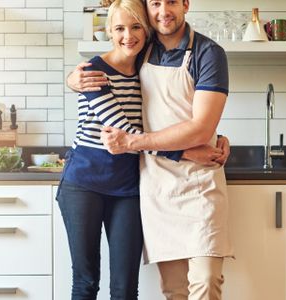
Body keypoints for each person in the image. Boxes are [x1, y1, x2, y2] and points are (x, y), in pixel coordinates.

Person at [58, 0, 229, 299]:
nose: (128, 36)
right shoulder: (116, 62)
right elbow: (123, 128)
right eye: (155, 3)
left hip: (158, 185)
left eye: (135, 27)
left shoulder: (183, 55)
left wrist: (215, 136)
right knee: (94, 283)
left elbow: (188, 118)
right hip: (116, 183)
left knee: (148, 286)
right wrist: (72, 80)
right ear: (109, 31)